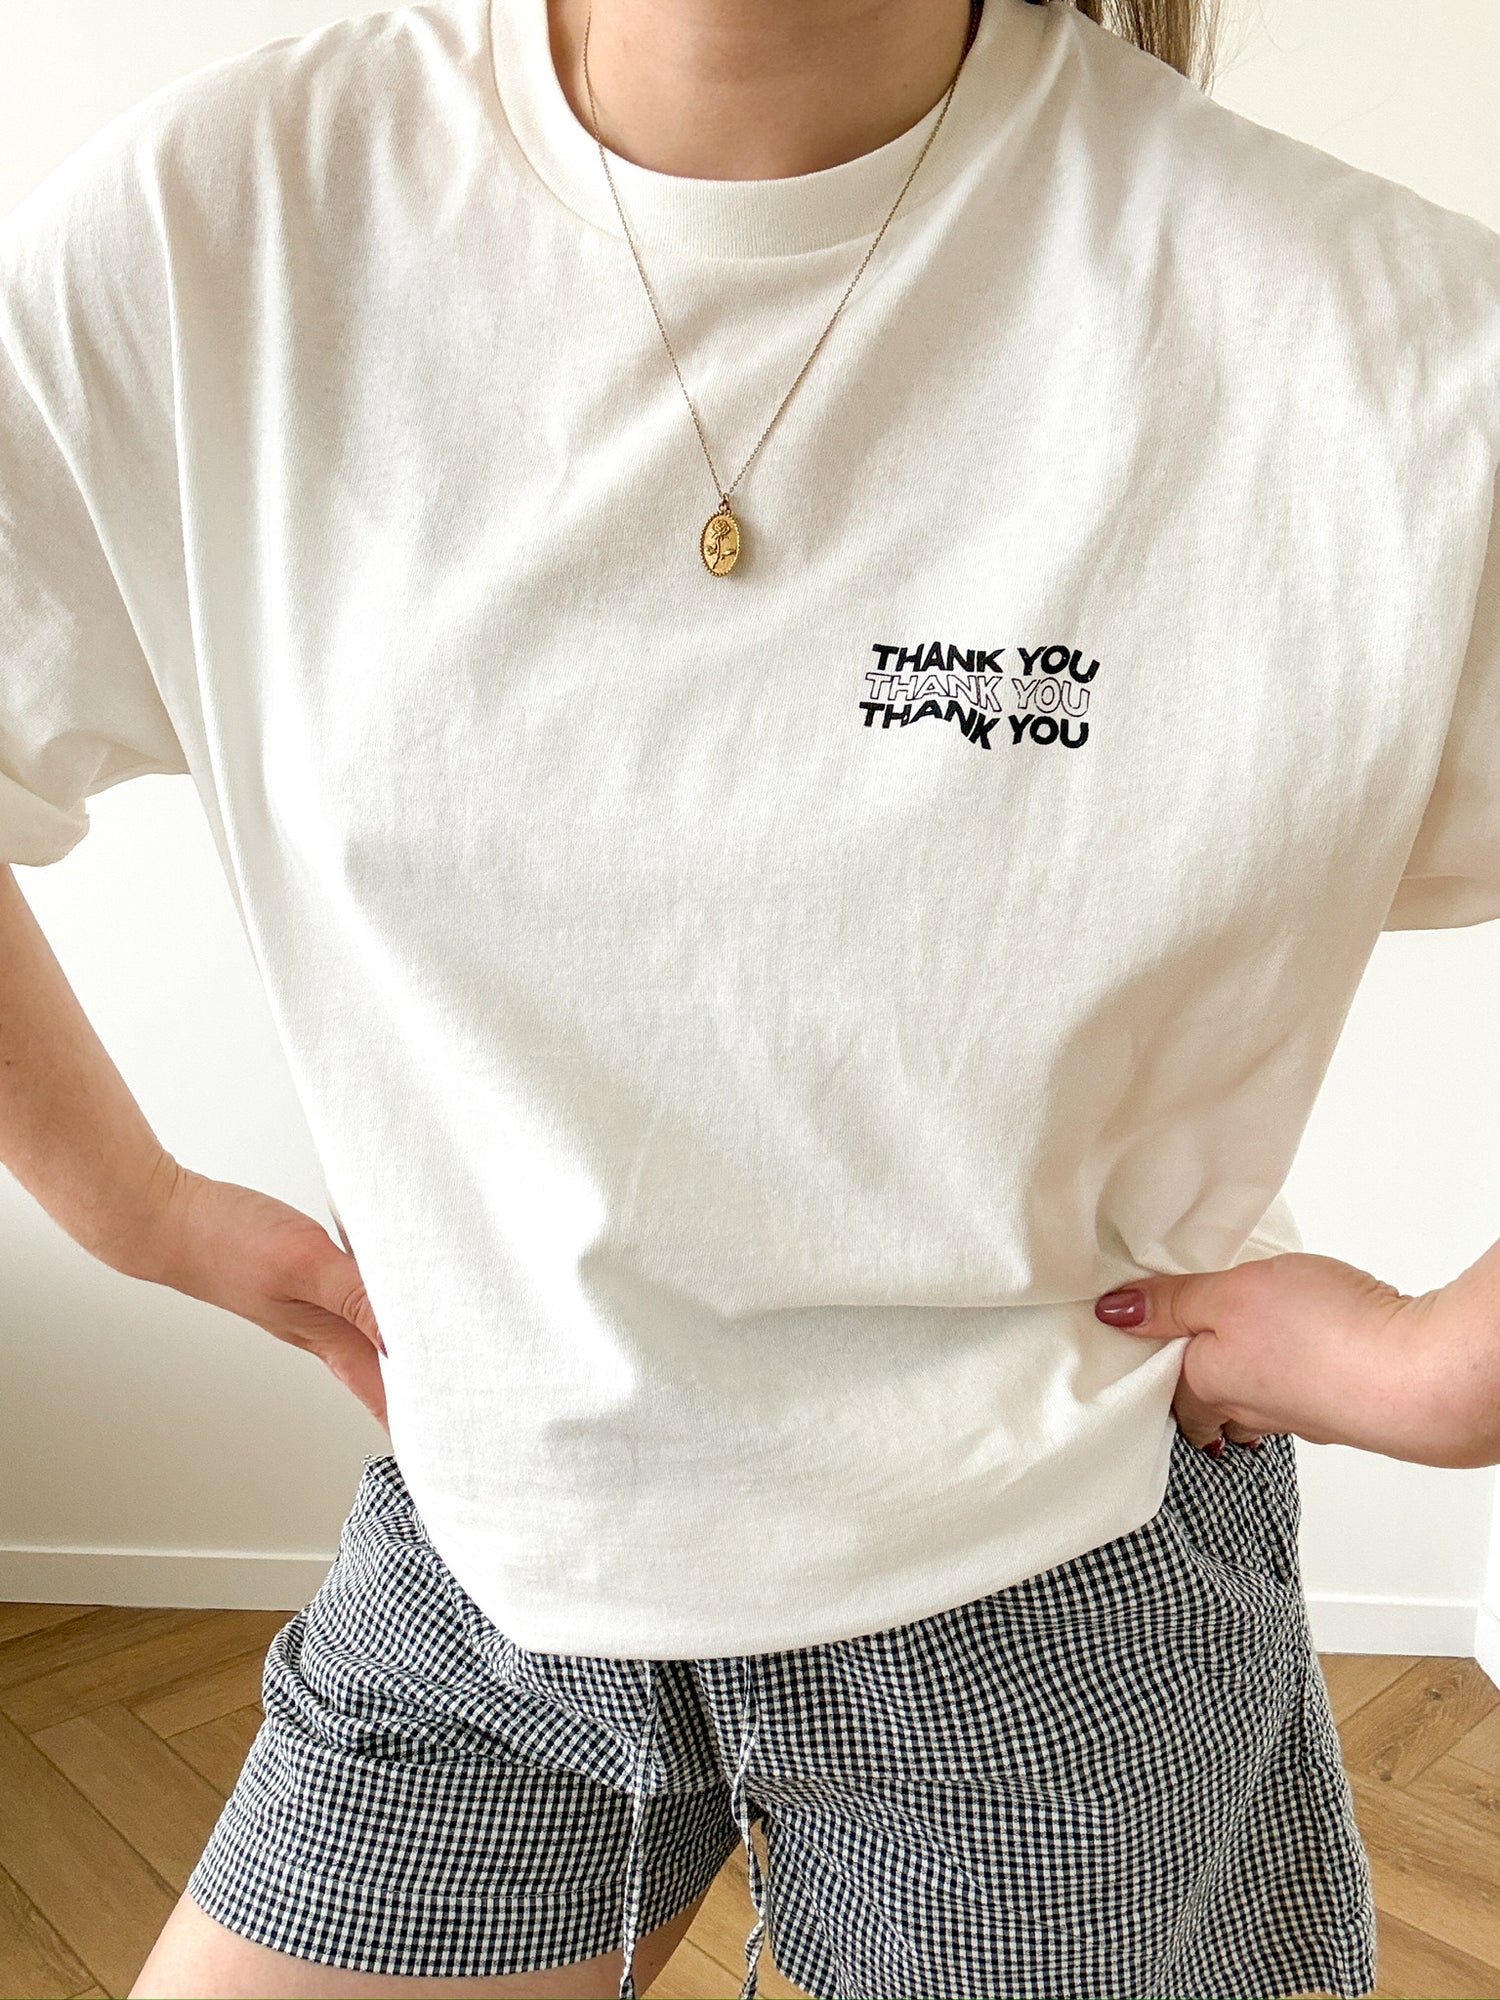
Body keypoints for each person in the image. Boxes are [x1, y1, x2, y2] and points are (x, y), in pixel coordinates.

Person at [1, 0, 1498, 1993]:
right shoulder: (235, 226)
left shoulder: (1368, 346)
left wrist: (1453, 1371)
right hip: (498, 1541)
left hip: (1054, 1573)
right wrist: (132, 1206)